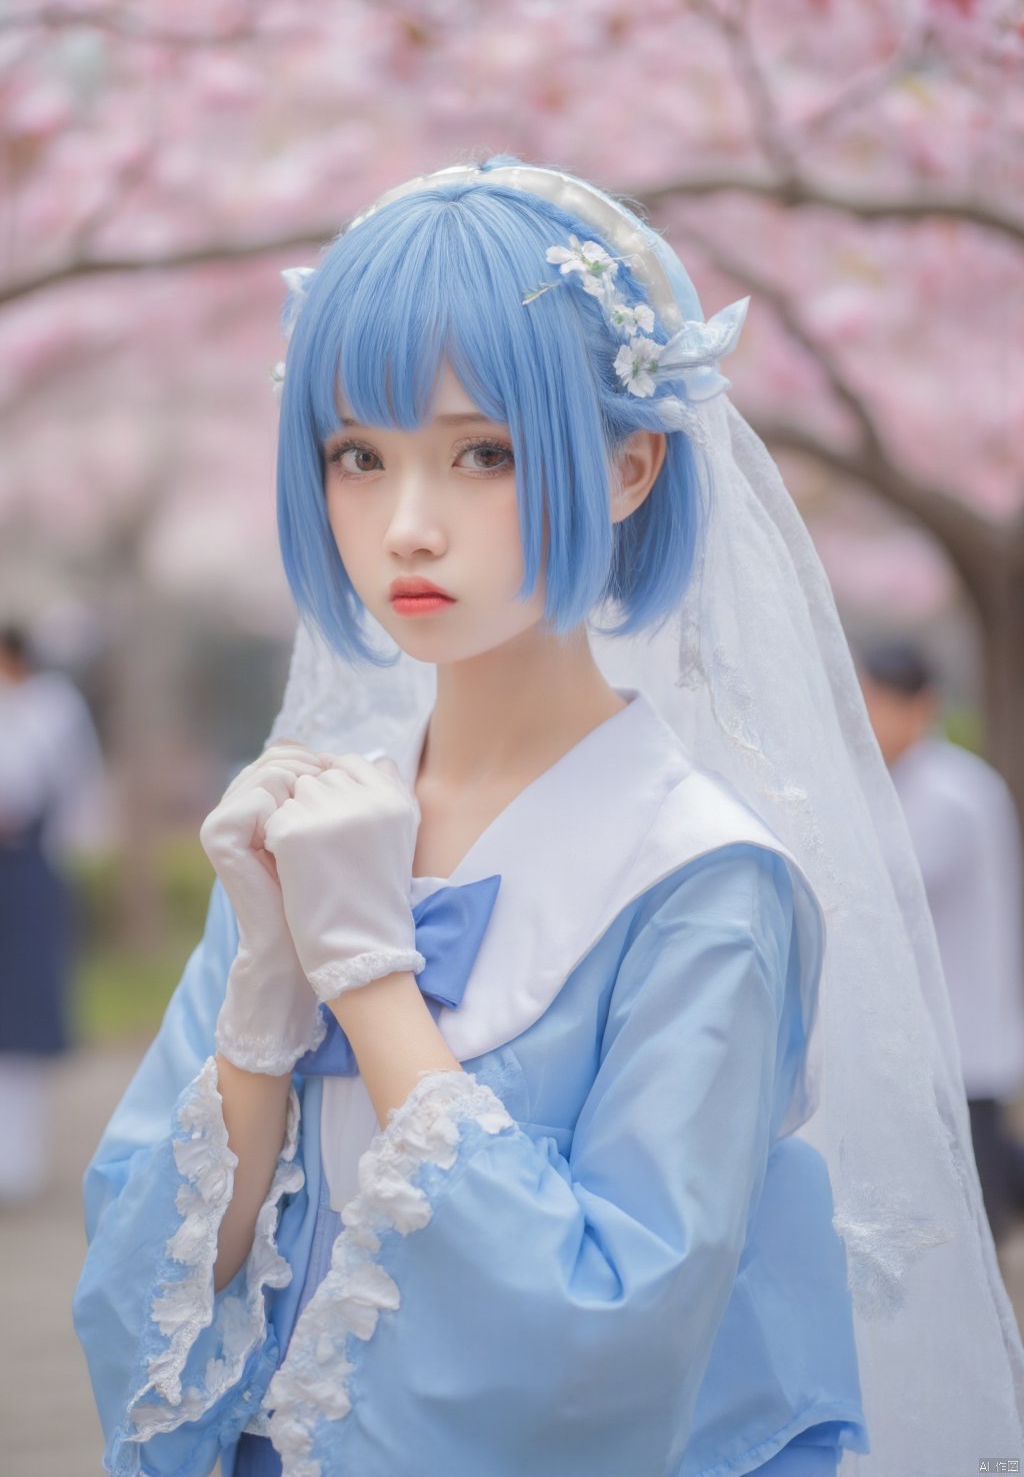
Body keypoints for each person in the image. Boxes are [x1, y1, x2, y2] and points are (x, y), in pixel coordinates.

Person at [73, 160, 1024, 1477]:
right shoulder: (320, 827)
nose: (408, 526)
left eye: (486, 453)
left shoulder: (700, 882)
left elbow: (607, 1344)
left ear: (631, 466)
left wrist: (368, 980)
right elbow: (144, 1293)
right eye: (358, 455)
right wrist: (266, 994)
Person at [859, 638, 1024, 1245]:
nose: (866, 716)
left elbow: (879, 887)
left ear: (922, 706)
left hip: (963, 1042)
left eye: (877, 701)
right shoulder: (909, 783)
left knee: (975, 1223)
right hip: (939, 1039)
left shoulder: (948, 792)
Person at [0, 623, 108, 1205]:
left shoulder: (52, 706)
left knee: (19, 1013)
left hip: (27, 868)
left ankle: (15, 1161)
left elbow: (74, 786)